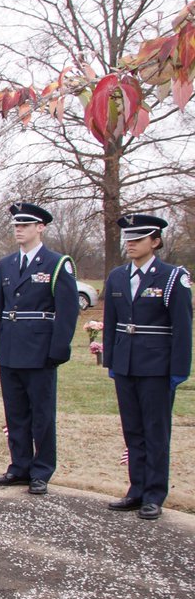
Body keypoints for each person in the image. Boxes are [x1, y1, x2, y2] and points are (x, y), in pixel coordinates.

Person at [102, 214, 191, 520]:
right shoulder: (116, 277)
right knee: (133, 430)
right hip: (126, 364)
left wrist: (179, 370)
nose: (131, 245)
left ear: (155, 242)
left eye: (138, 240)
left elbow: (182, 327)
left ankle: (154, 493)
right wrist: (111, 361)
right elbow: (112, 323)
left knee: (155, 431)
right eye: (128, 239)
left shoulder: (170, 277)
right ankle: (136, 488)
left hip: (157, 366)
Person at [0, 202, 79, 495]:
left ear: (40, 227)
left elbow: (67, 311)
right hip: (11, 348)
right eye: (16, 225)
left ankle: (41, 470)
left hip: (40, 350)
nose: (19, 230)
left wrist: (58, 349)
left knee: (42, 414)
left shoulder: (56, 263)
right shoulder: (7, 264)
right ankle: (19, 466)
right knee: (15, 413)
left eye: (25, 225)